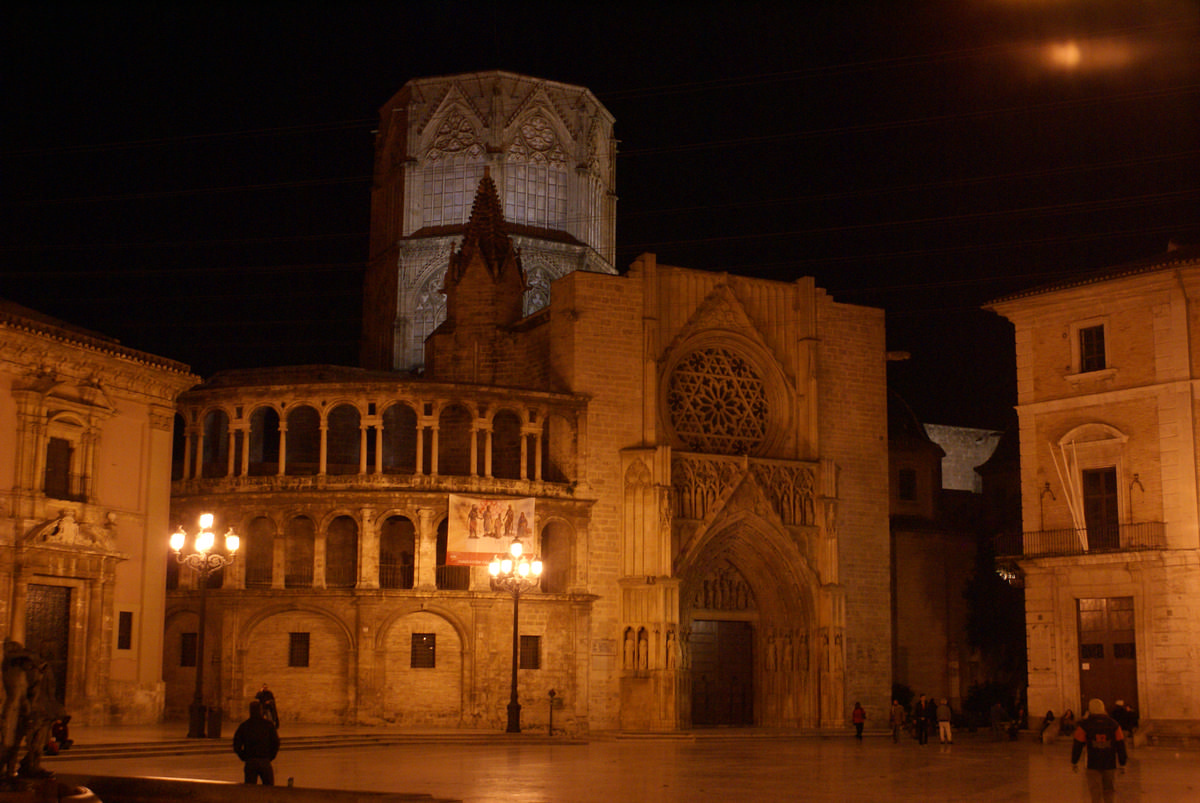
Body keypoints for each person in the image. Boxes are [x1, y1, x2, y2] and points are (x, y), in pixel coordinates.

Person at [1071, 698, 1127, 803]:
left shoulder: (1084, 725)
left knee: (1095, 791)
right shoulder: (1114, 724)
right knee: (1109, 790)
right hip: (1110, 763)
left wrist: (1074, 761)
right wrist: (1122, 763)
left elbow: (1077, 745)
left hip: (1092, 763)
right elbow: (1120, 744)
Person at [233, 700, 280, 785]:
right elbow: (275, 743)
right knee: (268, 787)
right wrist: (271, 756)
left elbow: (236, 744)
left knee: (250, 789)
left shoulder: (245, 725)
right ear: (261, 710)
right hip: (264, 760)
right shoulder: (268, 725)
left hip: (251, 760)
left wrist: (243, 756)